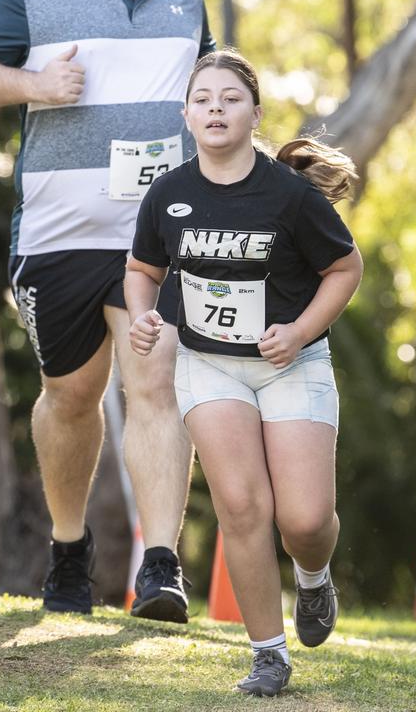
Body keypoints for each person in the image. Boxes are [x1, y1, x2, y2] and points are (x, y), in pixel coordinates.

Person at [0, 0, 215, 622]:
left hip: (154, 238)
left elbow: (206, 90)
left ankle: (159, 568)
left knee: (156, 380)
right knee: (70, 397)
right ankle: (70, 551)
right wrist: (35, 84)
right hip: (59, 237)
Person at [125, 50, 363, 696]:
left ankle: (314, 580)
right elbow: (142, 271)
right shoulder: (168, 194)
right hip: (210, 368)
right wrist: (144, 317)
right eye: (203, 100)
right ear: (186, 115)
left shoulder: (287, 197)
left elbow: (346, 269)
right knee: (240, 505)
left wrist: (300, 331)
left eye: (230, 99)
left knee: (306, 521)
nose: (216, 110)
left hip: (290, 364)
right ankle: (267, 654)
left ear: (255, 115)